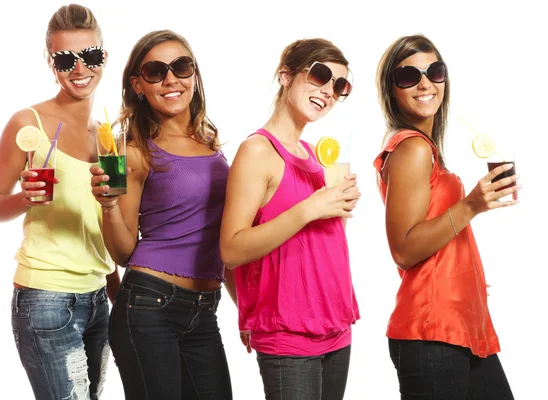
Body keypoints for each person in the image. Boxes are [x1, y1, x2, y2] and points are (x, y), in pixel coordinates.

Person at [0, 4, 119, 400]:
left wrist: (116, 292)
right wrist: (24, 199)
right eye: (65, 59)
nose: (80, 69)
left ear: (104, 57)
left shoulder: (108, 135)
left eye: (90, 56)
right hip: (46, 298)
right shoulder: (28, 124)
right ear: (50, 62)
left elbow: (98, 229)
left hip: (98, 296)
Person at [373, 34, 519, 399]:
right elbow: (404, 250)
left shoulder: (426, 150)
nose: (425, 83)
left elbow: (434, 236)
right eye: (409, 76)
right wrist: (471, 204)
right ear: (392, 89)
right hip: (432, 330)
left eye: (434, 71)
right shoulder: (412, 149)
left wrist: (465, 278)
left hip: (460, 325)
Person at [90, 30, 233, 399]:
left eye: (181, 67)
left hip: (204, 311)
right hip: (149, 307)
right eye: (156, 71)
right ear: (139, 85)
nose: (171, 79)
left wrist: (245, 308)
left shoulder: (211, 146)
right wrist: (108, 205)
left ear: (194, 75)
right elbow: (123, 252)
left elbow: (226, 238)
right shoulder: (137, 152)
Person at [219, 38, 361, 400]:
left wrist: (339, 208)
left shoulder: (316, 155)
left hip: (335, 327)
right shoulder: (257, 151)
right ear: (286, 75)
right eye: (319, 76)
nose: (327, 90)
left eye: (338, 85)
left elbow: (318, 244)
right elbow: (231, 250)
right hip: (288, 336)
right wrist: (309, 209)